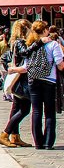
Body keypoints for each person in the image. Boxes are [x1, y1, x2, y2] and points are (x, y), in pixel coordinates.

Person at [23, 20, 64, 149]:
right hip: (49, 81)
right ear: (46, 30)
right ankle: (48, 143)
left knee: (36, 111)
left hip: (33, 80)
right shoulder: (53, 45)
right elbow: (60, 65)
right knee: (49, 112)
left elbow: (25, 65)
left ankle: (38, 143)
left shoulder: (30, 45)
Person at [0, 19, 36, 148]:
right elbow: (25, 53)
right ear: (25, 29)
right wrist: (37, 44)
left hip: (18, 80)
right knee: (25, 109)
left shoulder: (15, 42)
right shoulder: (20, 43)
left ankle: (15, 136)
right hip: (22, 80)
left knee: (16, 108)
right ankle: (5, 134)